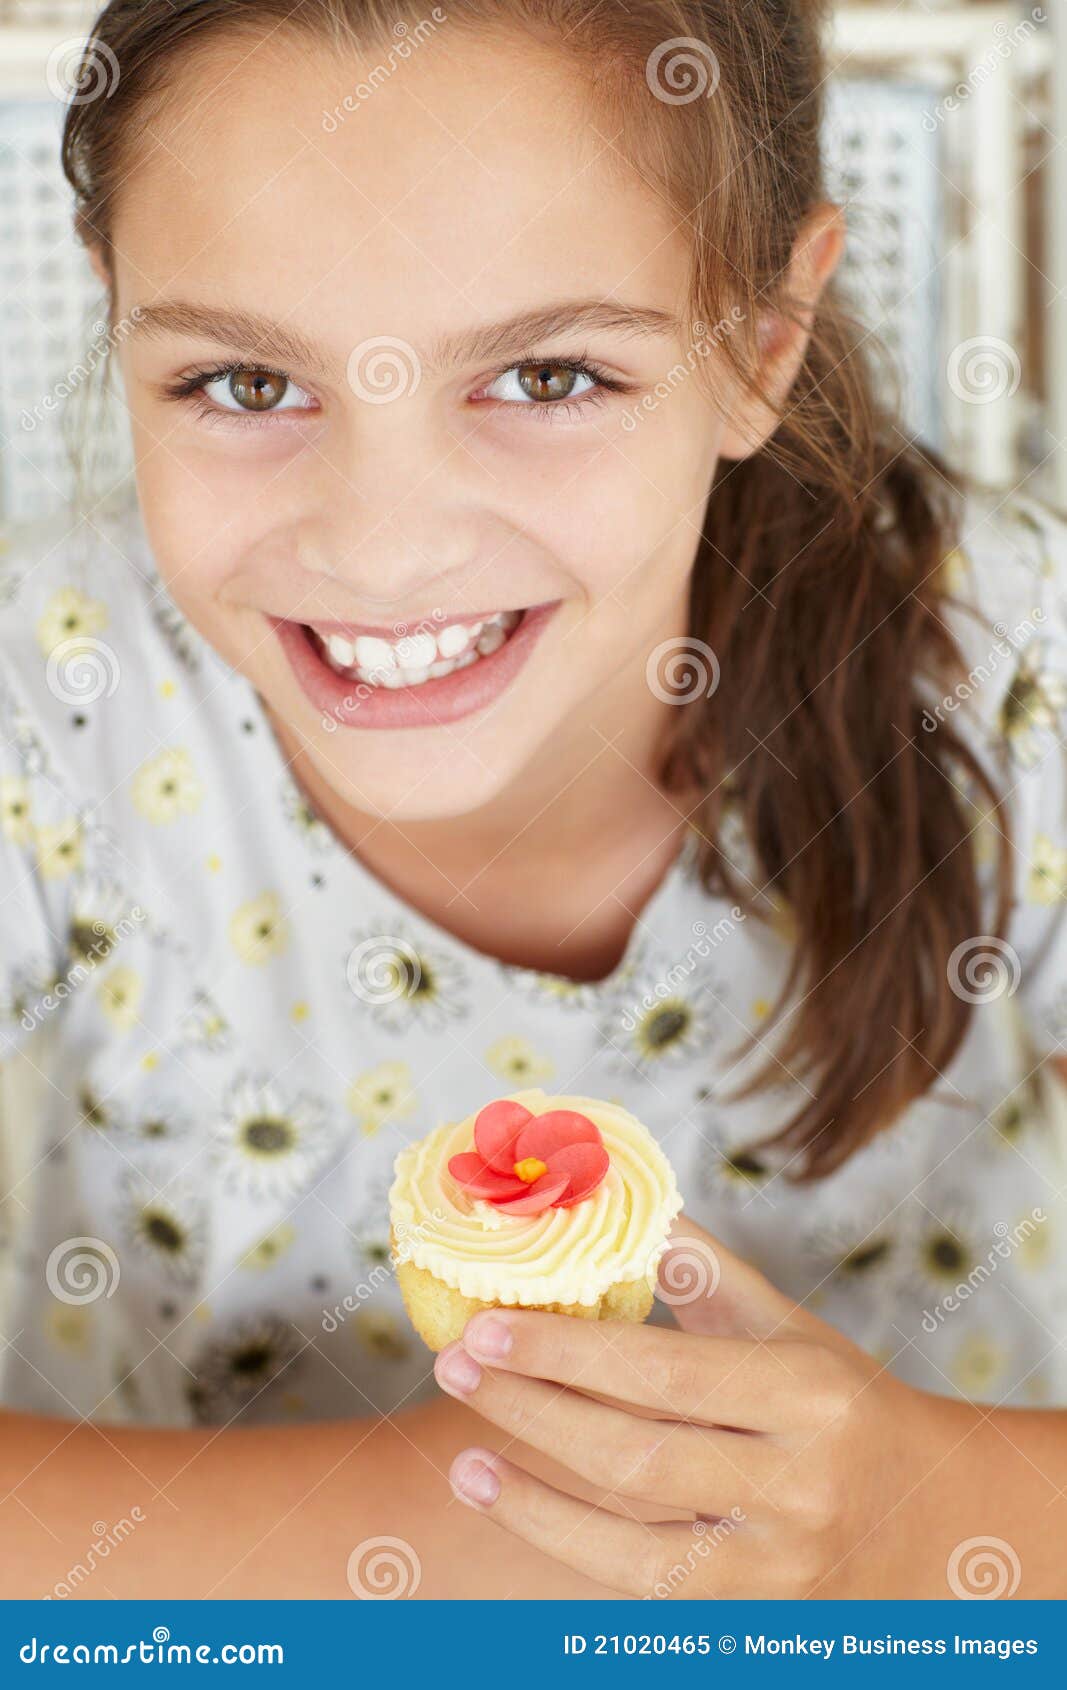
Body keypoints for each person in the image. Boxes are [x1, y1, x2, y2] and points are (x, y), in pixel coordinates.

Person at [1, 0, 1064, 1598]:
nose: (382, 544)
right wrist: (456, 1519)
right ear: (116, 314)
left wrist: (920, 1502)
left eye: (551, 374)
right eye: (240, 382)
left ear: (760, 349)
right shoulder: (48, 716)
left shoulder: (1019, 684)